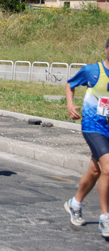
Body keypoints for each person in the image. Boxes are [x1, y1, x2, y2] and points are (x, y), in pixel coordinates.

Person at [63, 39, 109, 239]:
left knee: (96, 169)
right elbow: (70, 84)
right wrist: (70, 106)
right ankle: (105, 218)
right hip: (93, 126)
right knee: (108, 167)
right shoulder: (93, 70)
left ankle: (75, 203)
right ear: (107, 50)